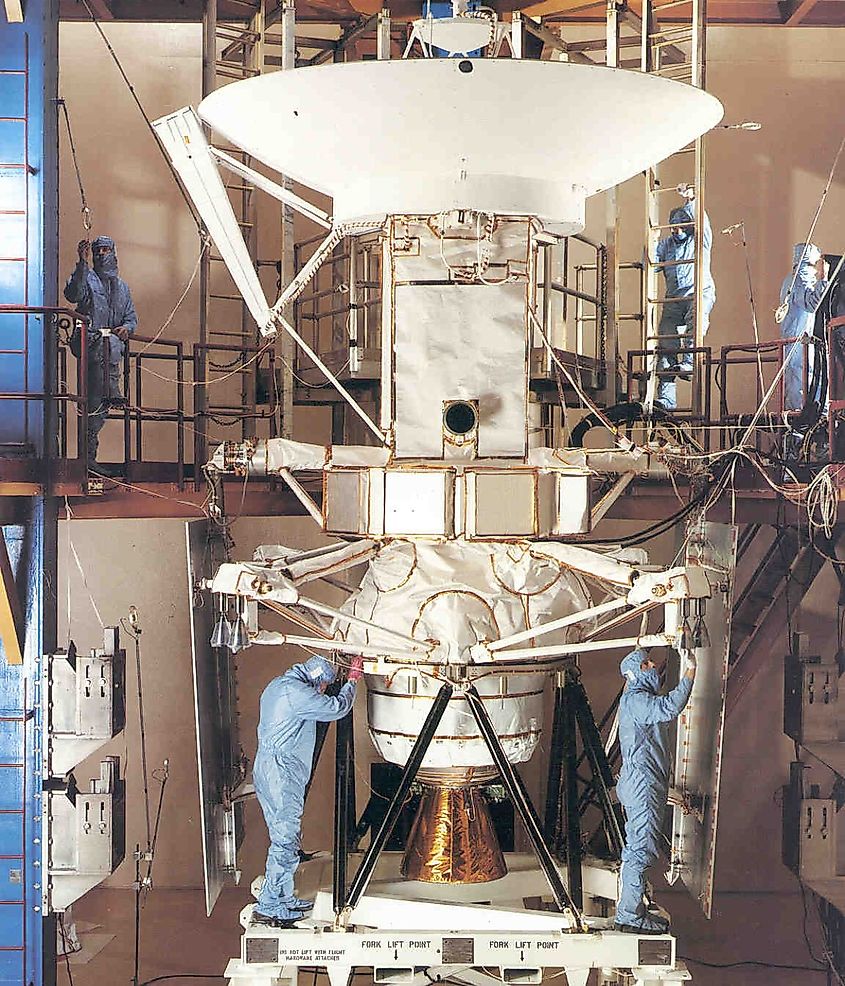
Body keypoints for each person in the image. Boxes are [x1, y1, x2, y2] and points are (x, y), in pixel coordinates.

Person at [252, 654, 363, 928]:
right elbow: (337, 708)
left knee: (284, 836)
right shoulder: (297, 693)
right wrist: (352, 680)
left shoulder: (278, 685)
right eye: (323, 685)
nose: (323, 690)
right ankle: (269, 906)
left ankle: (283, 897)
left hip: (268, 767)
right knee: (285, 839)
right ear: (317, 680)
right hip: (282, 773)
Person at [614, 647, 696, 934]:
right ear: (636, 672)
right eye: (647, 663)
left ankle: (630, 910)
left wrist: (671, 795)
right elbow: (669, 708)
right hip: (642, 785)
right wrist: (690, 672)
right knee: (640, 851)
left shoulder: (635, 700)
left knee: (635, 849)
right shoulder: (638, 700)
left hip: (639, 783)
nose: (653, 666)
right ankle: (629, 916)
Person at [63, 236, 137, 470]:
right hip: (90, 344)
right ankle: (88, 457)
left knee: (98, 403)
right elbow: (73, 294)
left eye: (105, 250)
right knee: (95, 399)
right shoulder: (88, 280)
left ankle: (89, 458)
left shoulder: (123, 288)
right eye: (97, 251)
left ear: (113, 252)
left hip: (111, 353)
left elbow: (131, 317)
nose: (101, 255)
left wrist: (127, 328)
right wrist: (81, 264)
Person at [653, 192, 716, 410]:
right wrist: (650, 241)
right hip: (674, 297)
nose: (676, 230)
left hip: (697, 292)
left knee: (695, 320)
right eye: (673, 226)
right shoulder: (667, 245)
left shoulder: (700, 240)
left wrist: (692, 201)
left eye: (681, 226)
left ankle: (689, 362)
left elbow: (703, 222)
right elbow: (651, 260)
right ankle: (666, 398)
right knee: (666, 335)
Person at [778, 243, 830, 413]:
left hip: (800, 346)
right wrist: (823, 278)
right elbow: (812, 303)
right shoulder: (800, 279)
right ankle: (799, 435)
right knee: (801, 394)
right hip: (799, 348)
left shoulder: (792, 280)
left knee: (804, 388)